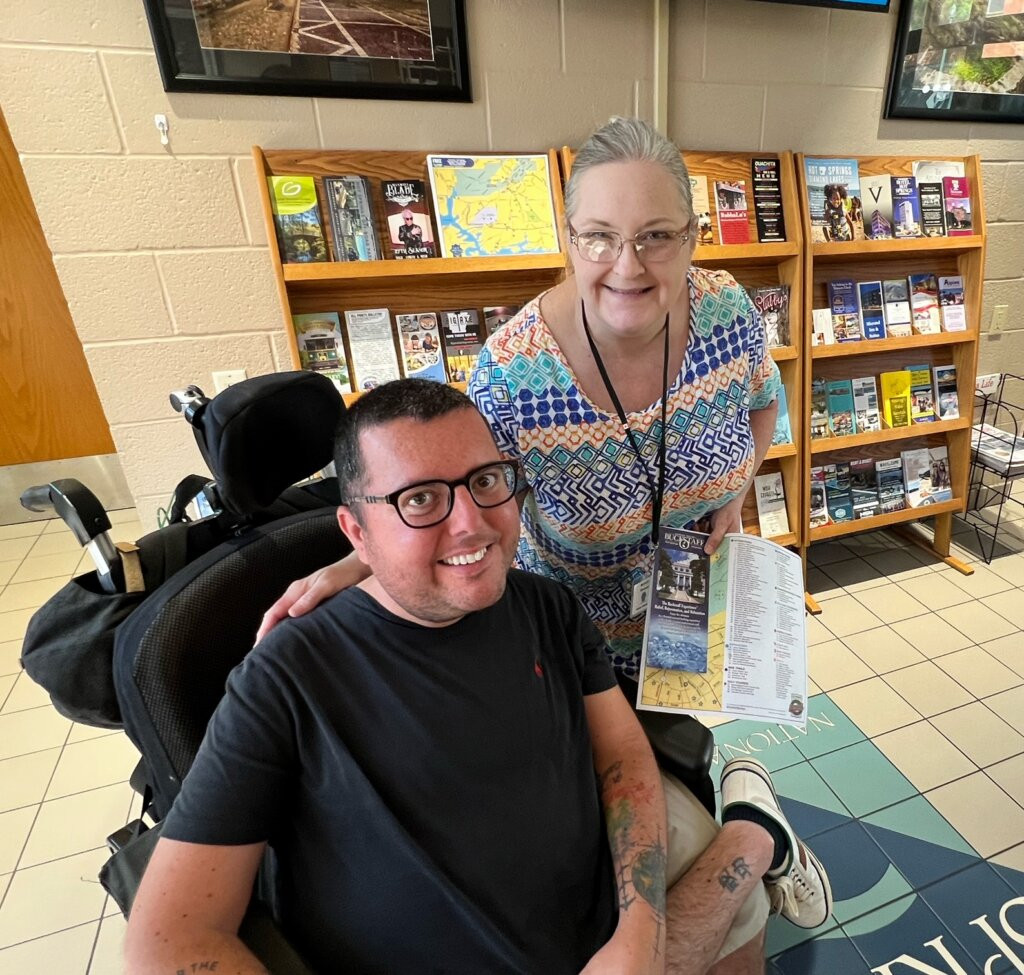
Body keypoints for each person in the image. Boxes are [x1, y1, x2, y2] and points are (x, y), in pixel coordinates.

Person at [257, 118, 832, 971]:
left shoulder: (727, 311)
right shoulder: (511, 373)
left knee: (679, 774)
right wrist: (359, 559)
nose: (628, 265)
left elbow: (761, 412)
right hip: (575, 638)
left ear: (693, 238)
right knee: (610, 822)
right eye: (599, 238)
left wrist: (734, 494)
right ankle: (753, 832)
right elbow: (456, 499)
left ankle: (738, 817)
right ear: (569, 237)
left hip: (689, 597)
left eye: (656, 237)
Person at [126, 380, 667, 973]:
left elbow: (621, 754)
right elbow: (167, 944)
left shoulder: (548, 608)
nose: (472, 523)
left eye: (485, 481)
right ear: (357, 534)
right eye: (420, 500)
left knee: (737, 872)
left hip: (605, 939)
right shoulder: (284, 678)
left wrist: (639, 929)